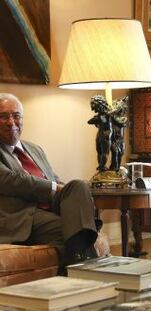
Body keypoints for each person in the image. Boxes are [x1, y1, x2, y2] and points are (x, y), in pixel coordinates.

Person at [0, 93, 98, 267]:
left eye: (16, 116)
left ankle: (83, 264)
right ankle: (84, 272)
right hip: (23, 214)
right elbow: (10, 180)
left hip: (51, 205)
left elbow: (53, 178)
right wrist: (55, 188)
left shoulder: (34, 148)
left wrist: (61, 188)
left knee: (77, 186)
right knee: (69, 231)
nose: (11, 122)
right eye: (3, 116)